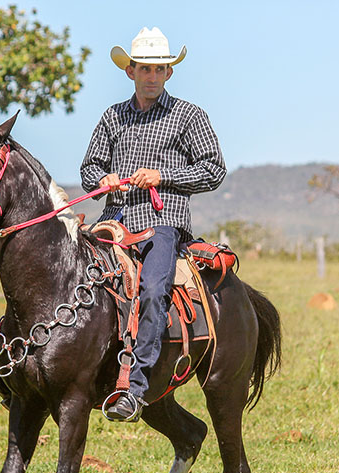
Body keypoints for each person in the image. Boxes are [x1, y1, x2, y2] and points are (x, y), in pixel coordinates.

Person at [80, 27, 226, 421]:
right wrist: (101, 181)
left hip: (163, 222)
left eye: (159, 69)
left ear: (169, 74)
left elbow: (214, 170)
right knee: (65, 273)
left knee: (154, 286)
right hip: (111, 220)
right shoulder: (112, 116)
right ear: (130, 71)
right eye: (144, 68)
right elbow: (90, 167)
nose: (151, 76)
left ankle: (135, 387)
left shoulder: (189, 116)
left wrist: (164, 176)